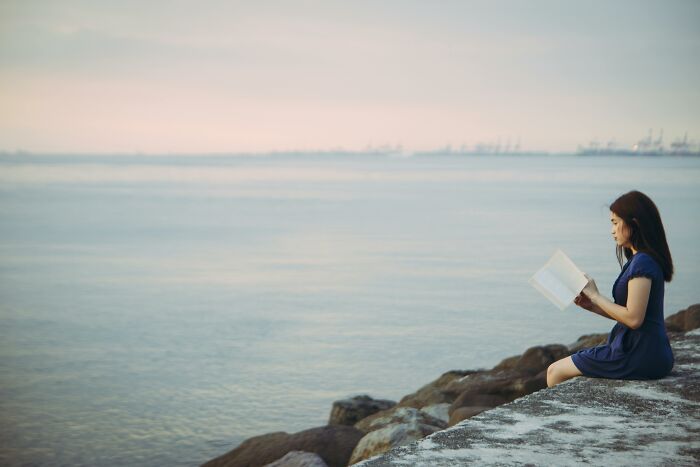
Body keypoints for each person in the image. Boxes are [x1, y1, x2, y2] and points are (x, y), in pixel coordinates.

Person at [546, 190, 675, 388]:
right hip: (650, 352)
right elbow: (631, 315)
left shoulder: (643, 263)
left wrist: (596, 296)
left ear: (635, 223)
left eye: (615, 222)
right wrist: (592, 306)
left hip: (639, 353)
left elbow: (634, 319)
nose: (612, 230)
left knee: (555, 371)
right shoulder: (640, 260)